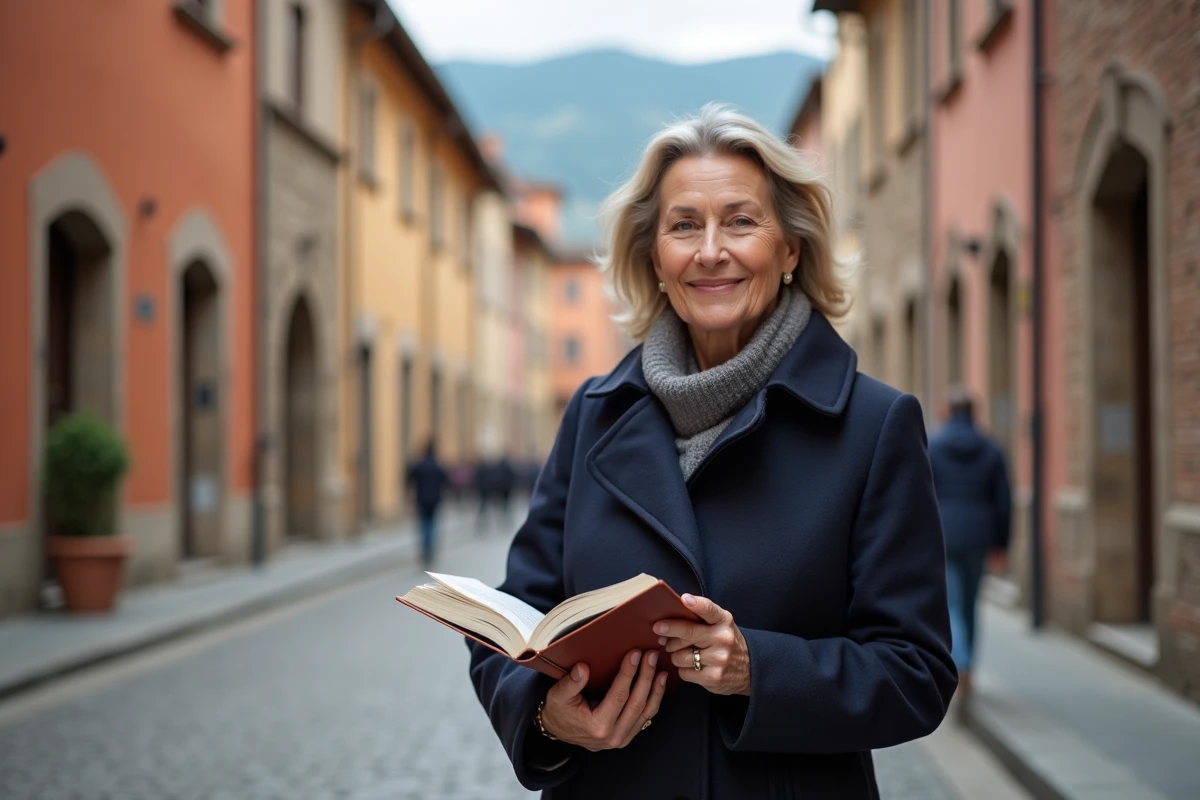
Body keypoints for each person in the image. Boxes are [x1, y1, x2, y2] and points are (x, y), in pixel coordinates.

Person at [467, 104, 956, 799]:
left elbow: (918, 673)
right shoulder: (595, 414)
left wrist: (757, 667)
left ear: (790, 249)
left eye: (741, 220)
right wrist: (546, 717)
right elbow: (517, 618)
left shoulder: (874, 425)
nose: (710, 250)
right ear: (654, 257)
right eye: (684, 225)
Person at [928, 387, 1012, 698]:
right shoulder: (991, 449)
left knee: (951, 604)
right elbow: (1004, 500)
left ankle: (958, 664)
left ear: (948, 411)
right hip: (979, 536)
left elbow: (921, 494)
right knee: (971, 605)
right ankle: (970, 667)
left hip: (945, 535)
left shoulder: (933, 445)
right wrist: (1002, 543)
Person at [407, 440, 449, 568]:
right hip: (435, 499)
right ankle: (429, 548)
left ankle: (425, 547)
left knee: (424, 524)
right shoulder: (438, 465)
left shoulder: (419, 465)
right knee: (432, 524)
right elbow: (445, 481)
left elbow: (409, 479)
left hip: (421, 499)